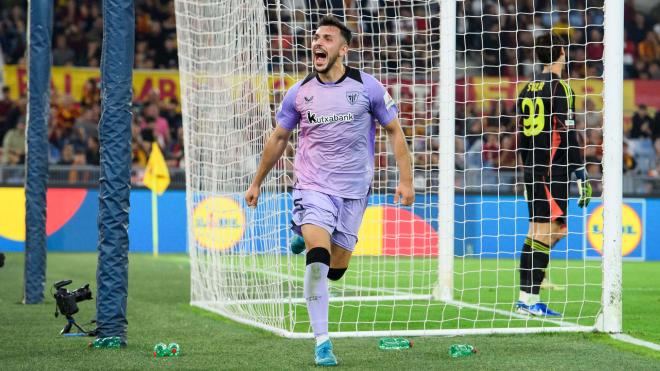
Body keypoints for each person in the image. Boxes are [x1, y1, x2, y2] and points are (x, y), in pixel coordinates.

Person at [244, 15, 414, 366]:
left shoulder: (368, 88)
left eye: (327, 38)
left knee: (337, 268)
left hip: (354, 190)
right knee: (318, 258)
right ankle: (322, 341)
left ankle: (301, 233)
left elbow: (395, 131)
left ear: (343, 48)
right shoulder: (300, 92)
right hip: (313, 186)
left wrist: (406, 180)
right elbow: (279, 138)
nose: (318, 43)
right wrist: (257, 180)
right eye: (316, 37)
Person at [515, 32, 591, 317]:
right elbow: (568, 135)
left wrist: (526, 172)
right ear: (562, 52)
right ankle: (528, 300)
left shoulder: (526, 89)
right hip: (551, 172)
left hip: (534, 170)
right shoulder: (562, 88)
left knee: (550, 231)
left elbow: (521, 136)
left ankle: (528, 296)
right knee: (544, 233)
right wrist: (581, 171)